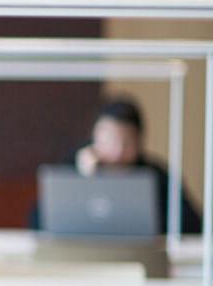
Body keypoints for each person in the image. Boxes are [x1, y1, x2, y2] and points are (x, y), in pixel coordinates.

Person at [29, 97, 202, 233]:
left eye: (127, 143)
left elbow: (193, 224)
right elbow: (37, 221)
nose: (118, 152)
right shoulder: (71, 168)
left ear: (139, 142)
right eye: (111, 141)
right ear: (96, 137)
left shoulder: (156, 175)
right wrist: (83, 179)